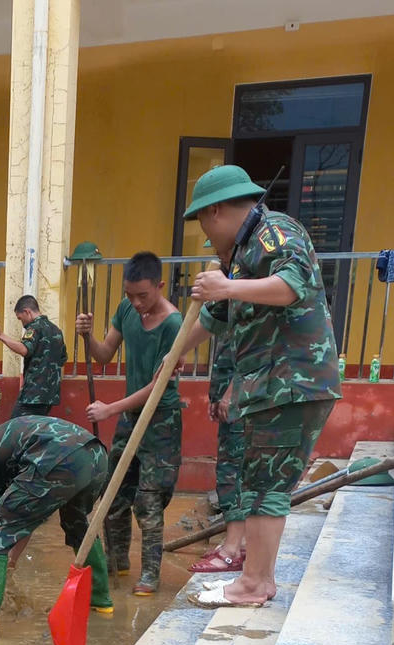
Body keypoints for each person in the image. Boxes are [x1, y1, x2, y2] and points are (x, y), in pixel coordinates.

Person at [178, 164, 341, 607]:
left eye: (203, 225)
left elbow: (289, 287)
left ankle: (253, 585)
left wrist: (228, 287)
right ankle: (256, 579)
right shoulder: (243, 252)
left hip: (291, 382)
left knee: (266, 486)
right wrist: (171, 359)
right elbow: (211, 319)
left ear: (214, 212)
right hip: (272, 387)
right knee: (259, 482)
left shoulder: (275, 232)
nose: (207, 237)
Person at [0, 417, 113, 637]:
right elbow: (23, 519)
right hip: (96, 455)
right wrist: (11, 562)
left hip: (57, 458)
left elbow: (0, 526)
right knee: (75, 522)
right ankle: (100, 598)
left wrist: (8, 562)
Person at [76, 252, 183, 596]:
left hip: (161, 420)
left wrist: (110, 409)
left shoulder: (174, 325)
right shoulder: (126, 310)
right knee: (114, 493)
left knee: (148, 501)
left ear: (160, 286)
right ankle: (116, 560)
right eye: (130, 295)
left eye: (143, 296)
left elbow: (158, 385)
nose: (136, 303)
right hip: (129, 416)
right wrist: (87, 336)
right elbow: (104, 354)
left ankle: (150, 573)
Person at [190, 323, 247, 573]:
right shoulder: (231, 310)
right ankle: (238, 542)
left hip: (243, 404)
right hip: (234, 402)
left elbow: (250, 358)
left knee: (231, 473)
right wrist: (217, 397)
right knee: (233, 471)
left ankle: (233, 548)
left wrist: (229, 394)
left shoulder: (251, 306)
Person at [0, 295, 66, 418]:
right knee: (35, 427)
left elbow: (24, 349)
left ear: (27, 312)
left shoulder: (34, 328)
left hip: (33, 394)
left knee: (16, 425)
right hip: (50, 395)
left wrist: (0, 335)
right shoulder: (56, 330)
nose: (22, 323)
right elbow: (63, 358)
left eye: (20, 318)